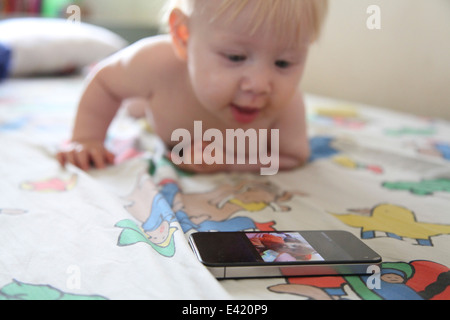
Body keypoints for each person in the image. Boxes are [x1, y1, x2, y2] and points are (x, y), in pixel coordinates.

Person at [56, 0, 328, 174]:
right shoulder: (156, 63)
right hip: (163, 97)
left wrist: (229, 162)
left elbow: (293, 156)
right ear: (184, 35)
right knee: (135, 103)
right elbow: (105, 82)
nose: (259, 85)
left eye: (283, 62)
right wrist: (87, 138)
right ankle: (141, 102)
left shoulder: (287, 104)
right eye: (235, 57)